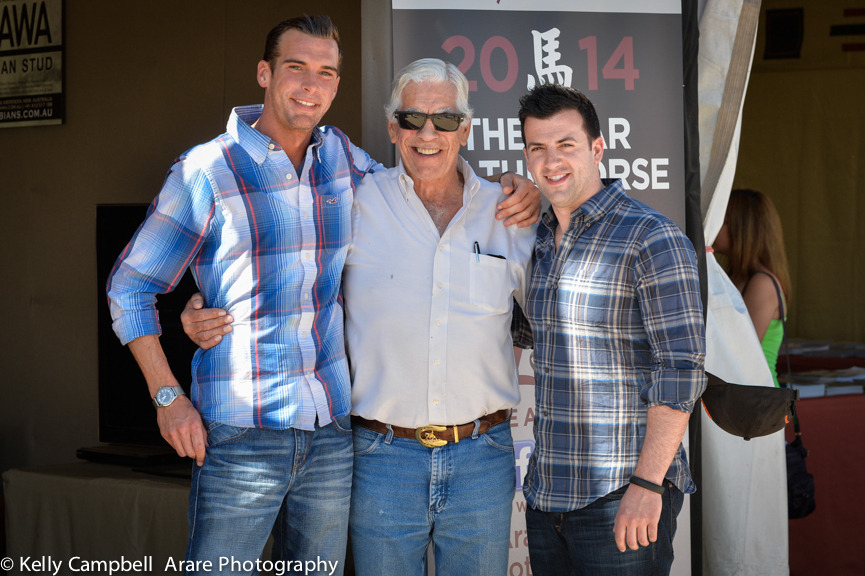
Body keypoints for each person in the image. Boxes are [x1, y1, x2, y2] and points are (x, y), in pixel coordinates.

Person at [106, 16, 536, 576]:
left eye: (326, 73)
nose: (310, 85)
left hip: (331, 437)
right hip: (244, 432)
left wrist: (519, 184)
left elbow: (432, 182)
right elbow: (130, 287)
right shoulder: (207, 171)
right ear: (264, 73)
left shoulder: (347, 164)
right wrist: (168, 395)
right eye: (295, 68)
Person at [512, 83, 706, 575]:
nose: (551, 161)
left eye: (566, 145)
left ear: (597, 148)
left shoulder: (651, 237)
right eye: (538, 148)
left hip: (622, 494)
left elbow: (681, 370)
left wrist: (646, 485)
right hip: (546, 495)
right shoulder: (534, 240)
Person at [712, 188, 791, 387]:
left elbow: (740, 352)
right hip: (739, 394)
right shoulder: (733, 276)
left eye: (723, 220)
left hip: (756, 400)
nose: (714, 225)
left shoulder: (762, 284)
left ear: (741, 229)